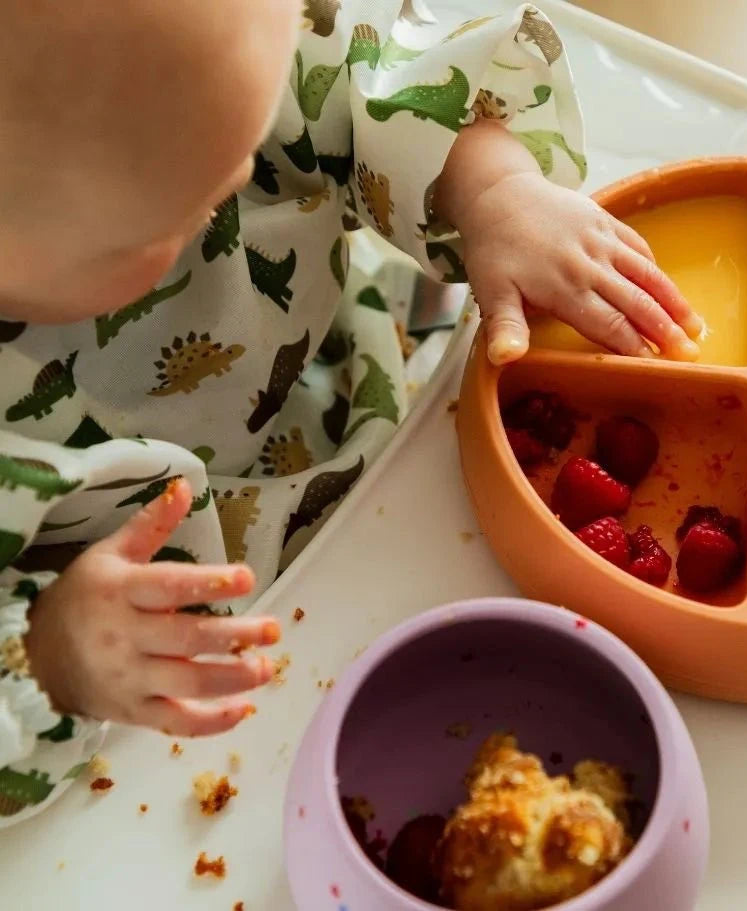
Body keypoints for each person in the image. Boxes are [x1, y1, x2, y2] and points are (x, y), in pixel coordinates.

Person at [0, 0, 702, 824]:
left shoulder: (201, 51)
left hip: (354, 385)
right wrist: (48, 660)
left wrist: (492, 188)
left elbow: (355, 79)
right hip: (152, 644)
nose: (237, 189)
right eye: (175, 217)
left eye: (247, 146)